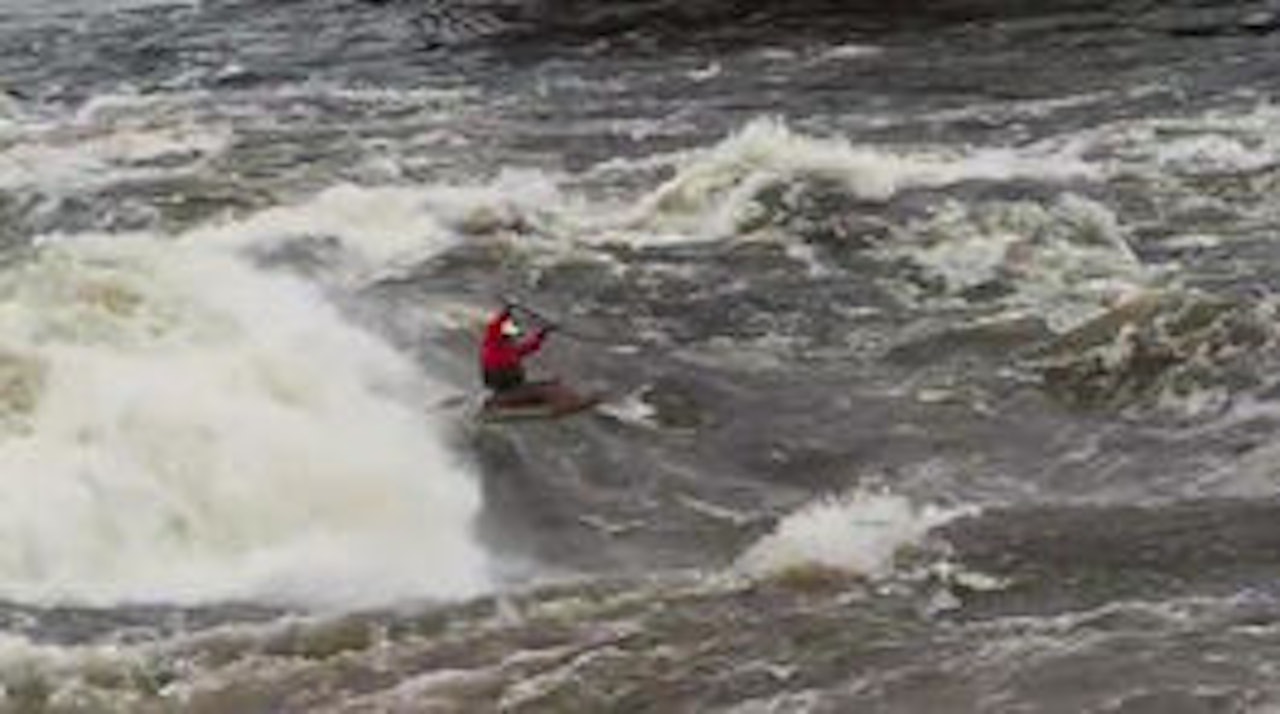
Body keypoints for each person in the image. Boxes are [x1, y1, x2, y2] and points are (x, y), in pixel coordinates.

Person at [480, 305, 554, 399]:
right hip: (495, 376)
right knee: (513, 368)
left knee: (516, 366)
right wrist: (506, 313)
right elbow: (495, 326)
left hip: (508, 378)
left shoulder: (512, 348)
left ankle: (515, 392)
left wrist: (542, 334)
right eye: (511, 335)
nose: (513, 338)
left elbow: (529, 347)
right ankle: (506, 393)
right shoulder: (492, 340)